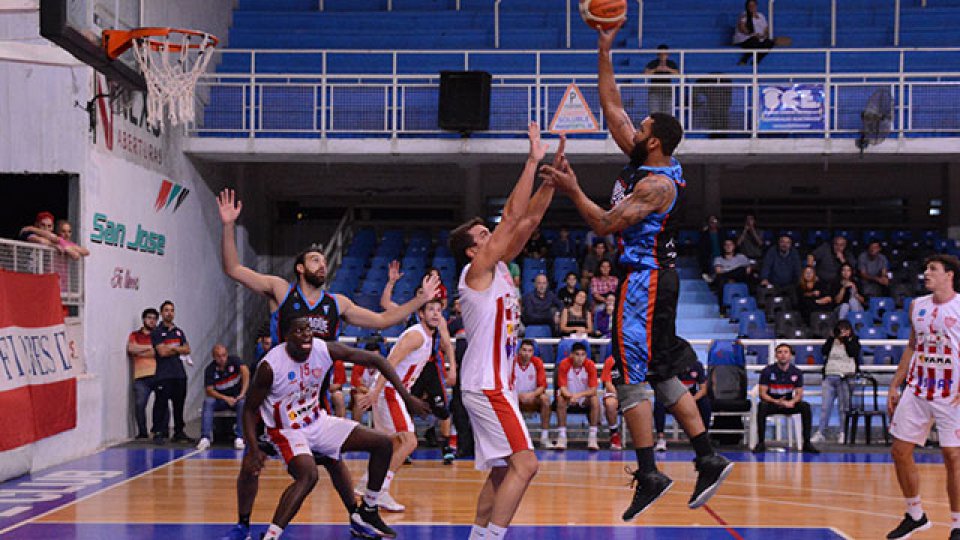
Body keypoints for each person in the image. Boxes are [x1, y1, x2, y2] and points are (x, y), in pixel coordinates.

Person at [539, 21, 732, 520]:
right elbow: (611, 105)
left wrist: (572, 188)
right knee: (664, 370)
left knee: (629, 374)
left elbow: (604, 223)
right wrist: (604, 47)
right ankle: (708, 456)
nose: (634, 127)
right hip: (650, 278)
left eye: (643, 128)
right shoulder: (643, 158)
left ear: (655, 143)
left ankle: (649, 471)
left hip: (644, 280)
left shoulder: (657, 188)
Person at [216, 189, 440, 540]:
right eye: (316, 259)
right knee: (252, 464)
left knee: (334, 458)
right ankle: (243, 523)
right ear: (301, 268)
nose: (323, 264)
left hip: (311, 399)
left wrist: (418, 300)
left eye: (324, 259)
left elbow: (382, 322)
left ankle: (358, 515)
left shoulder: (337, 303)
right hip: (275, 396)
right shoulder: (281, 290)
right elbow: (232, 268)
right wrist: (229, 226)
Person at [447, 122, 560, 540]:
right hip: (488, 384)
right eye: (483, 234)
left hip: (495, 385)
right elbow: (512, 215)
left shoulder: (496, 268)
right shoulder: (475, 271)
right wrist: (533, 160)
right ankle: (493, 538)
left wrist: (551, 180)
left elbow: (526, 221)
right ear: (473, 251)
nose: (492, 235)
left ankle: (479, 536)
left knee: (500, 474)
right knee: (525, 465)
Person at [243, 317, 429, 540]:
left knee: (381, 443)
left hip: (316, 421)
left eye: (309, 330)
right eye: (299, 331)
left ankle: (368, 510)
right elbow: (248, 409)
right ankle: (272, 536)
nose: (306, 335)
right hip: (286, 429)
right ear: (286, 337)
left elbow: (378, 361)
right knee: (309, 475)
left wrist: (406, 396)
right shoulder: (270, 366)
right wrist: (253, 449)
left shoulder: (322, 349)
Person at [885, 254, 960, 540]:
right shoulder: (917, 305)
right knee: (900, 451)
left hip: (951, 393)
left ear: (949, 275)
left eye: (932, 269)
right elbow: (912, 346)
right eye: (926, 268)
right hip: (917, 388)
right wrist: (895, 384)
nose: (926, 273)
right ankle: (915, 515)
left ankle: (957, 525)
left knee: (953, 457)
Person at [356, 299, 445, 512]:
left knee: (393, 444)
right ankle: (379, 491)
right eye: (430, 309)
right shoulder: (416, 335)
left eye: (439, 310)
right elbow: (390, 362)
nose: (435, 313)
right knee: (409, 441)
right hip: (388, 390)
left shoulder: (430, 337)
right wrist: (375, 391)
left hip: (393, 390)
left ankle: (366, 484)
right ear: (421, 314)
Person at [753, 343, 819, 454]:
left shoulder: (796, 372)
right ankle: (761, 443)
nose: (783, 355)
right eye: (780, 352)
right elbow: (762, 394)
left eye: (785, 352)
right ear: (776, 356)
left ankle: (807, 443)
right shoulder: (767, 371)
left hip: (789, 404)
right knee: (762, 406)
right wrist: (776, 401)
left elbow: (799, 394)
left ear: (790, 355)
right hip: (772, 403)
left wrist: (791, 402)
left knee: (805, 406)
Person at [151, 300, 193, 445]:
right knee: (161, 404)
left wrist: (172, 348)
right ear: (162, 313)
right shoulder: (157, 332)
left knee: (179, 404)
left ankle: (179, 432)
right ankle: (158, 431)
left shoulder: (179, 331)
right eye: (167, 310)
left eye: (172, 310)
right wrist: (177, 348)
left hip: (179, 374)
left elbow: (187, 349)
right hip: (164, 374)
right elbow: (161, 352)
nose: (170, 313)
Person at [812, 320, 860, 445]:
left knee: (843, 408)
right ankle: (821, 432)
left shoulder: (854, 341)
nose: (842, 332)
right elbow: (824, 351)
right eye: (840, 329)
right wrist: (831, 338)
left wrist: (847, 340)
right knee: (825, 407)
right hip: (829, 377)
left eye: (846, 329)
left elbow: (853, 353)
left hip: (845, 378)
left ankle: (842, 433)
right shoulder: (831, 341)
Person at [198, 344, 250, 451]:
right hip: (220, 400)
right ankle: (205, 438)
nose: (222, 359)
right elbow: (209, 390)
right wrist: (226, 398)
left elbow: (245, 372)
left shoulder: (234, 361)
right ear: (214, 357)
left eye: (224, 355)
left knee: (243, 403)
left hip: (236, 398)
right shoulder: (210, 369)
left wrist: (242, 393)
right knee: (208, 402)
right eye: (218, 356)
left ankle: (240, 437)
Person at [654, 356, 710, 453]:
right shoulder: (670, 366)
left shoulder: (697, 365)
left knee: (705, 402)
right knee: (659, 403)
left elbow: (703, 389)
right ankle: (661, 438)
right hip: (672, 397)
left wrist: (692, 400)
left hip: (691, 397)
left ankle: (702, 438)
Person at [553, 342, 600, 451]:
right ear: (571, 355)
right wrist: (571, 397)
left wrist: (578, 396)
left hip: (584, 397)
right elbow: (562, 387)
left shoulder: (590, 365)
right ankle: (562, 436)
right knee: (560, 399)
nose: (580, 358)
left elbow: (593, 390)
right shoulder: (564, 364)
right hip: (568, 396)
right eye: (577, 354)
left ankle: (592, 437)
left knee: (595, 400)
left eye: (583, 354)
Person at [512, 339, 552, 449]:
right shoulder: (511, 362)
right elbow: (506, 385)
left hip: (533, 397)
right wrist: (518, 396)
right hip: (515, 398)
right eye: (524, 350)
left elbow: (542, 386)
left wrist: (531, 395)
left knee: (545, 399)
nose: (526, 353)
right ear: (519, 351)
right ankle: (514, 439)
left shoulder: (537, 362)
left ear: (533, 352)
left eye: (529, 351)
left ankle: (544, 437)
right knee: (508, 400)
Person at [127, 308, 158, 439]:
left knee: (162, 405)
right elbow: (131, 348)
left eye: (154, 319)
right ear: (144, 319)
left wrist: (140, 351)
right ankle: (142, 432)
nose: (152, 321)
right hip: (140, 377)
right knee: (140, 404)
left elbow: (157, 352)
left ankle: (160, 431)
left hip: (158, 375)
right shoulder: (135, 335)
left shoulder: (158, 335)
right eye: (149, 318)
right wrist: (150, 348)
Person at [760, 235, 803, 306]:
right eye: (782, 242)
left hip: (790, 284)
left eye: (787, 243)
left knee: (797, 296)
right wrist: (764, 278)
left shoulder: (794, 253)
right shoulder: (772, 251)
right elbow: (766, 266)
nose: (785, 245)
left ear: (790, 245)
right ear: (779, 243)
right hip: (774, 284)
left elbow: (797, 269)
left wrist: (800, 280)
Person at [734, 0, 774, 65]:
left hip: (759, 38)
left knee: (769, 43)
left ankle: (756, 61)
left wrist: (764, 35)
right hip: (746, 38)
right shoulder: (744, 15)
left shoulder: (761, 16)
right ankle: (744, 59)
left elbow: (766, 29)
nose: (752, 7)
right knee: (754, 41)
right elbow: (742, 28)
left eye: (753, 5)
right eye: (750, 6)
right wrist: (752, 34)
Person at [350, 341, 383, 421]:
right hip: (363, 394)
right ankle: (356, 427)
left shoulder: (383, 367)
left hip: (378, 394)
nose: (374, 359)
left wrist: (374, 393)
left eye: (377, 356)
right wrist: (372, 392)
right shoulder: (359, 365)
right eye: (372, 356)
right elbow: (358, 387)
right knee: (359, 398)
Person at [644, 44, 679, 115]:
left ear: (668, 54)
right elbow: (645, 73)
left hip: (667, 92)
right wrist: (656, 69)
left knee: (667, 114)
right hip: (654, 91)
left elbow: (678, 74)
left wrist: (668, 69)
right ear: (658, 54)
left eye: (665, 54)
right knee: (654, 113)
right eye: (661, 54)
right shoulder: (653, 63)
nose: (663, 56)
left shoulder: (671, 63)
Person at [600, 356, 623, 450]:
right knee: (610, 404)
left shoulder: (634, 358)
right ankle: (614, 434)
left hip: (630, 390)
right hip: (614, 391)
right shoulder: (610, 360)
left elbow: (640, 381)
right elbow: (607, 383)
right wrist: (619, 396)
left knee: (646, 404)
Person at [697, 215, 723, 280]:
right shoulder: (705, 234)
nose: (713, 223)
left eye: (714, 221)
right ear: (708, 222)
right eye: (711, 221)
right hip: (710, 257)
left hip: (722, 256)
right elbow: (702, 249)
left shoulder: (722, 233)